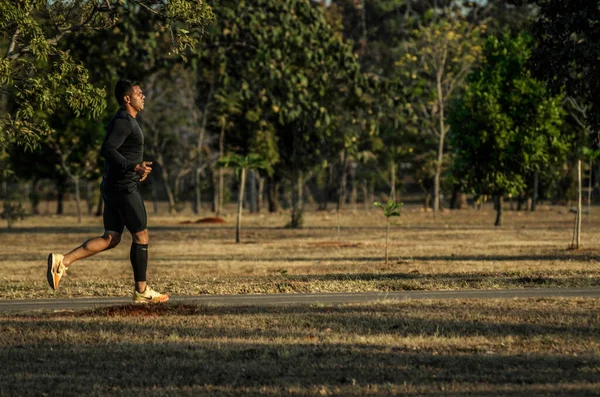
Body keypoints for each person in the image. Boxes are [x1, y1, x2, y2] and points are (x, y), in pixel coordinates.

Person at [46, 79, 169, 304]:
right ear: (127, 98)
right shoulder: (125, 121)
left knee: (111, 238)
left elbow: (120, 152)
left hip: (113, 186)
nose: (143, 97)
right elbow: (107, 149)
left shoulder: (125, 120)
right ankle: (141, 291)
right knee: (141, 235)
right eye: (139, 93)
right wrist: (133, 167)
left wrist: (139, 168)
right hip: (123, 188)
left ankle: (62, 261)